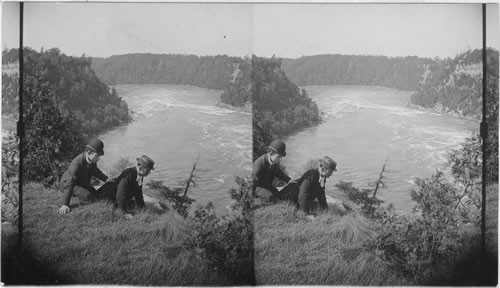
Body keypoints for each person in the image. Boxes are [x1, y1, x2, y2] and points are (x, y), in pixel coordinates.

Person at [57, 139, 113, 215]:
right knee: (88, 196)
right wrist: (65, 204)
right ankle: (73, 195)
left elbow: (95, 171)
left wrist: (106, 179)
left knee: (99, 188)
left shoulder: (91, 160)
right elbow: (70, 183)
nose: (99, 158)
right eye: (97, 155)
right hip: (70, 184)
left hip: (83, 180)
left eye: (99, 156)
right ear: (89, 152)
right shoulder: (76, 164)